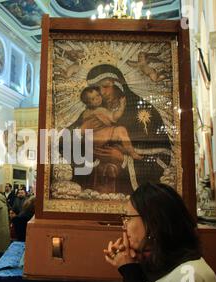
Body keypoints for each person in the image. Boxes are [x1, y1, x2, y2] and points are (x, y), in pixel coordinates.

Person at [104, 182, 216, 282]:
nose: (124, 226)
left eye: (128, 218)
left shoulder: (188, 277)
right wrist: (131, 267)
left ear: (153, 222)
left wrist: (129, 273)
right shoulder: (169, 268)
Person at [71, 64, 171, 195]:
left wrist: (124, 160)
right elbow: (67, 143)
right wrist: (83, 134)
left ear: (118, 84)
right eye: (97, 89)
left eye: (106, 86)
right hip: (96, 189)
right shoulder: (92, 113)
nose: (102, 93)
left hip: (129, 194)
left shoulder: (143, 110)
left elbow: (165, 157)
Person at [80, 86, 142, 160]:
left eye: (98, 95)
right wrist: (122, 105)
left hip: (92, 140)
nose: (97, 99)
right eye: (93, 99)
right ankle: (132, 153)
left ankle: (125, 149)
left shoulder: (85, 113)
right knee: (121, 130)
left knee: (117, 134)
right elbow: (114, 117)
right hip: (97, 136)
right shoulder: (99, 110)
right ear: (88, 103)